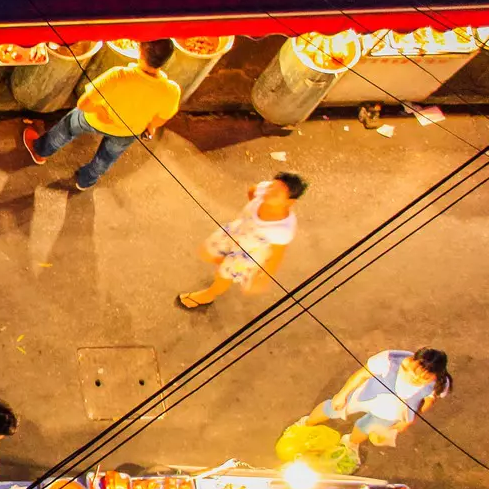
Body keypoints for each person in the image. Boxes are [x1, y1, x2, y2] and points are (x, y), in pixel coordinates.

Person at [23, 39, 181, 190]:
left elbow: (83, 104)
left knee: (67, 128)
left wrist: (102, 113)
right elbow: (162, 117)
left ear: (139, 51)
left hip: (94, 120)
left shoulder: (119, 75)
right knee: (106, 158)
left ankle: (41, 151)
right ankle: (85, 181)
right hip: (128, 131)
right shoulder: (172, 90)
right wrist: (150, 127)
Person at [180, 173, 308, 310]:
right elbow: (253, 191)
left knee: (224, 274)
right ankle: (225, 265)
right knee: (207, 252)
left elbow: (276, 257)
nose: (269, 192)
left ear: (289, 202)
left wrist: (263, 277)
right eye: (272, 186)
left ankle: (209, 294)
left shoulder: (282, 229)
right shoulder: (263, 190)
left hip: (248, 252)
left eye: (276, 193)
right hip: (237, 232)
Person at [305, 347, 452, 456]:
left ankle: (351, 443)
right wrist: (342, 394)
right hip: (366, 395)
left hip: (391, 413)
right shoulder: (389, 360)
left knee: (365, 428)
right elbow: (362, 375)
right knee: (333, 408)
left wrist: (408, 420)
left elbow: (428, 401)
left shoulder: (440, 384)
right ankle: (306, 423)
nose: (416, 379)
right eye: (414, 373)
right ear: (412, 360)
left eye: (424, 379)